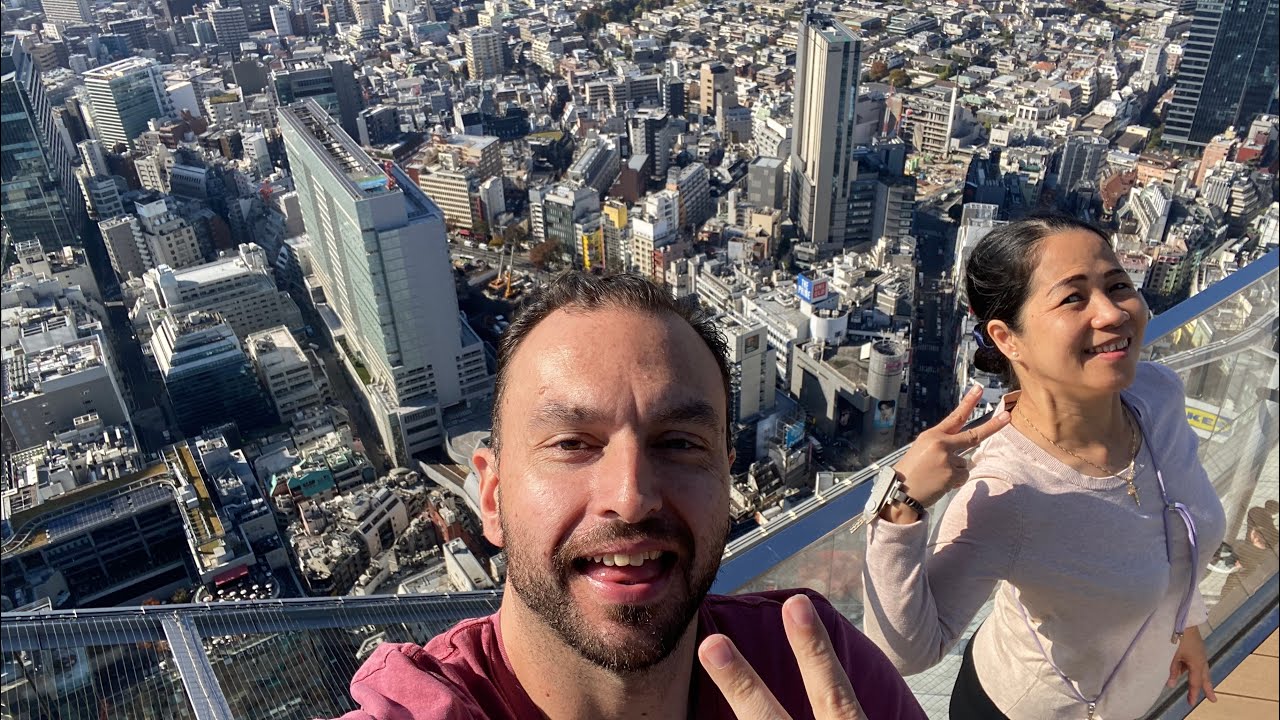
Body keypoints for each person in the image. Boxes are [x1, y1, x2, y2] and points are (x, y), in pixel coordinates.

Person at [335, 273, 925, 719]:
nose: (632, 495)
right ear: (491, 496)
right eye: (572, 443)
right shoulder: (425, 707)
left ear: (727, 480)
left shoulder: (816, 666)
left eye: (679, 443)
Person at [861, 215, 1227, 719]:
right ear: (1008, 338)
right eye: (1073, 298)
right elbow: (907, 652)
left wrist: (1184, 624)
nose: (1112, 312)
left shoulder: (1158, 395)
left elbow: (1174, 545)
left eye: (1118, 285)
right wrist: (900, 502)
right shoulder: (1007, 492)